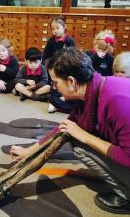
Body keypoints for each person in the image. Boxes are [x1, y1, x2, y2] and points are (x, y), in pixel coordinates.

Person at [10, 47, 130, 214]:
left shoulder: (117, 101)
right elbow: (66, 126)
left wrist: (86, 136)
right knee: (74, 136)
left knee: (80, 144)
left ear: (71, 81)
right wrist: (28, 152)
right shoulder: (93, 88)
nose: (54, 87)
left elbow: (127, 157)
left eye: (55, 82)